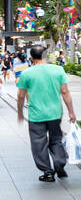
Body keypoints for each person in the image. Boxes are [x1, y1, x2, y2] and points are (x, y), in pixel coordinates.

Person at [15, 44, 77, 183]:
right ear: (45, 55)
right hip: (55, 113)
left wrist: (19, 112)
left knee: (38, 143)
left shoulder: (26, 73)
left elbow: (20, 95)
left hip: (36, 115)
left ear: (31, 57)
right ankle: (59, 164)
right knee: (56, 140)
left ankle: (48, 172)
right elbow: (65, 92)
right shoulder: (58, 70)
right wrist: (71, 112)